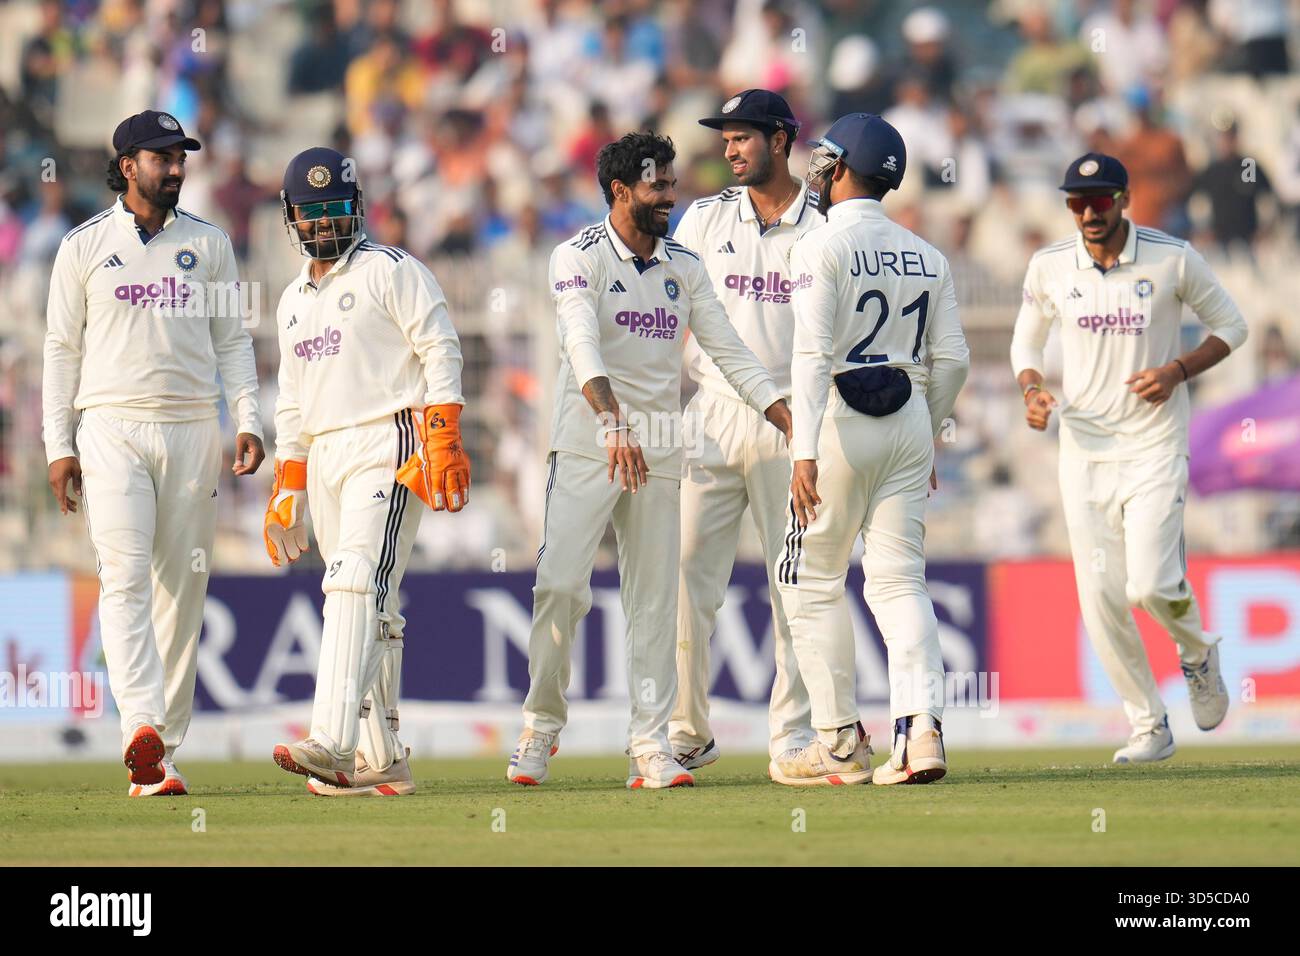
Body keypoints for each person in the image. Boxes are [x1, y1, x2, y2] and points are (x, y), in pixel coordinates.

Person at [506, 132, 791, 790]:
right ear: (620, 191)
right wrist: (612, 423)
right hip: (588, 442)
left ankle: (651, 744)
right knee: (560, 586)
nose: (671, 196)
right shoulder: (575, 258)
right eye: (658, 186)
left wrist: (785, 418)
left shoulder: (684, 267)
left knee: (656, 600)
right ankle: (540, 728)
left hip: (659, 446)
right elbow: (580, 342)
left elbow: (730, 350)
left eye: (672, 183)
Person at [43, 110, 264, 796]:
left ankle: (160, 751)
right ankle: (139, 726)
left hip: (194, 426)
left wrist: (248, 417)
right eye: (161, 157)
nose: (174, 168)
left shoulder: (211, 244)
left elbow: (233, 340)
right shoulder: (82, 246)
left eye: (180, 157)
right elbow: (61, 349)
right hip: (111, 426)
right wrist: (58, 444)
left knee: (182, 590)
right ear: (127, 164)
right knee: (126, 577)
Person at [1011, 152, 1247, 763]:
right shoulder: (1051, 266)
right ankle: (1149, 724)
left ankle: (1197, 654)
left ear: (1124, 200)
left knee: (1149, 584)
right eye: (1076, 203)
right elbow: (1026, 340)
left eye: (1100, 200)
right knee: (1101, 597)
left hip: (1154, 443)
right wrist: (1033, 389)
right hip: (1083, 450)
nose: (1088, 212)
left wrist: (1176, 370)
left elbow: (1232, 326)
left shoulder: (1172, 256)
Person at [775, 113, 969, 787]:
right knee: (899, 581)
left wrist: (803, 451)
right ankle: (921, 734)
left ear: (846, 166)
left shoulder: (819, 245)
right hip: (909, 416)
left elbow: (809, 354)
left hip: (837, 421)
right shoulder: (928, 254)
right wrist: (927, 426)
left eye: (826, 160)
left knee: (807, 578)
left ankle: (838, 742)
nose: (817, 171)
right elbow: (955, 362)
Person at [267, 147, 468, 796]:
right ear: (292, 217)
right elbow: (291, 399)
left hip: (392, 437)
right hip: (324, 453)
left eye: (335, 210)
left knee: (352, 579)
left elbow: (440, 345)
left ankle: (332, 742)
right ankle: (383, 757)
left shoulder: (391, 269)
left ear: (357, 208)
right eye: (311, 213)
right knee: (369, 600)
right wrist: (288, 479)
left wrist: (443, 429)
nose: (324, 225)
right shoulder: (292, 300)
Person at [668, 89, 821, 773]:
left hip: (796, 420)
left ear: (782, 140)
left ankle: (790, 737)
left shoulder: (827, 224)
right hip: (713, 416)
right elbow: (664, 306)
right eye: (725, 138)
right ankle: (686, 731)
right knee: (683, 579)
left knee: (795, 583)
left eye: (743, 137)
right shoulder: (702, 218)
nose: (729, 150)